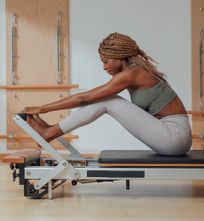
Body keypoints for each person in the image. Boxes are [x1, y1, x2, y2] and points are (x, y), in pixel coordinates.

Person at [22, 32, 192, 156]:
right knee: (89, 94)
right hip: (172, 136)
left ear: (119, 57)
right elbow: (85, 96)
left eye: (106, 61)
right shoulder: (136, 71)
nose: (104, 67)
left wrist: (41, 108)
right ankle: (50, 131)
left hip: (174, 138)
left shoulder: (132, 74)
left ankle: (50, 132)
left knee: (106, 100)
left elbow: (85, 99)